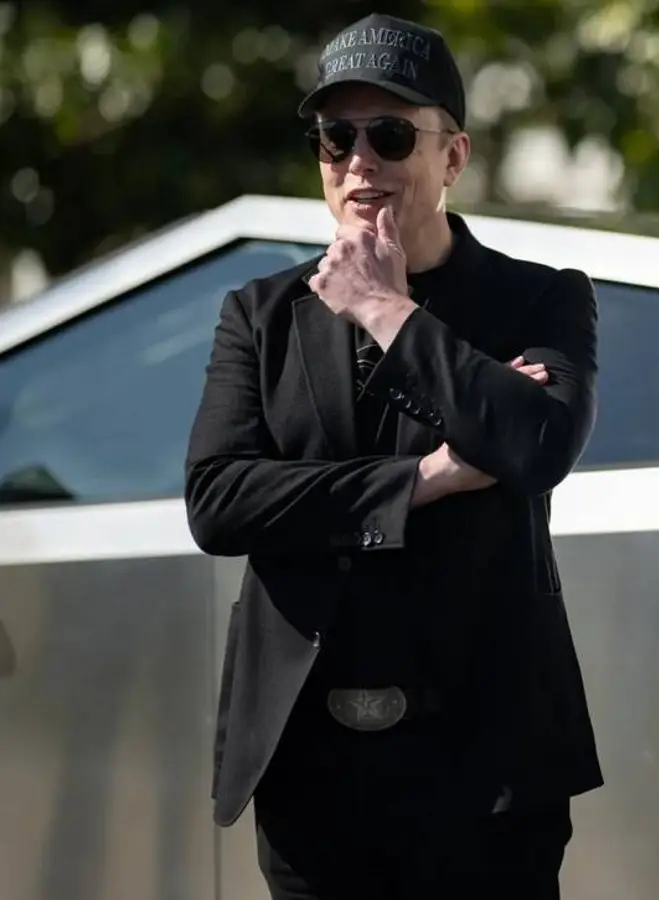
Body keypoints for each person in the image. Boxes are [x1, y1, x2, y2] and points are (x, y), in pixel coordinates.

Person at [184, 13, 601, 899]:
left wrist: (385, 310)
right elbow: (219, 500)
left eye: (391, 135)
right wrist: (424, 480)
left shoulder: (539, 301)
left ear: (454, 156)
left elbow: (537, 444)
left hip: (486, 769)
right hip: (310, 768)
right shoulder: (260, 314)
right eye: (336, 138)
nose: (359, 161)